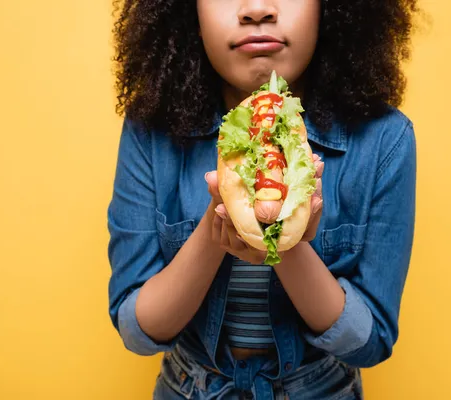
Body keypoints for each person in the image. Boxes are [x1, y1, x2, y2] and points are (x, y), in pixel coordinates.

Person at [107, 0, 419, 398]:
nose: (257, 8)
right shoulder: (148, 131)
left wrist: (284, 241)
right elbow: (137, 329)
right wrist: (220, 218)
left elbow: (370, 341)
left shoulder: (386, 140)